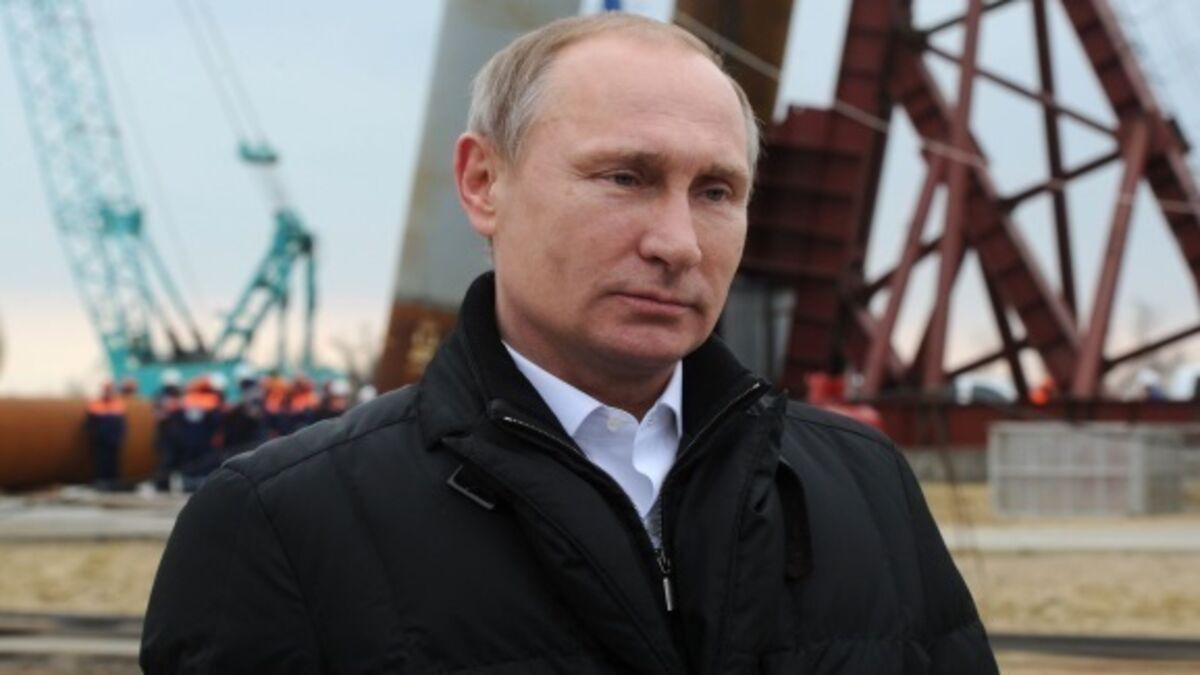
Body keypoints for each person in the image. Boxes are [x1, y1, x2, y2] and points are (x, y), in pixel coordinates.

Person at [142, 13, 996, 673]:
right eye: (625, 177)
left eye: (715, 191)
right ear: (483, 183)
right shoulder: (282, 525)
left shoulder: (866, 485)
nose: (678, 243)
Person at [84, 381, 126, 491]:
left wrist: (120, 436)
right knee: (100, 461)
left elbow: (122, 423)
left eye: (110, 390)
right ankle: (100, 482)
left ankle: (113, 482)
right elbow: (89, 423)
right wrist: (94, 436)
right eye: (106, 390)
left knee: (113, 462)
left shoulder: (118, 404)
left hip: (113, 439)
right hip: (100, 440)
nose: (108, 392)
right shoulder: (95, 404)